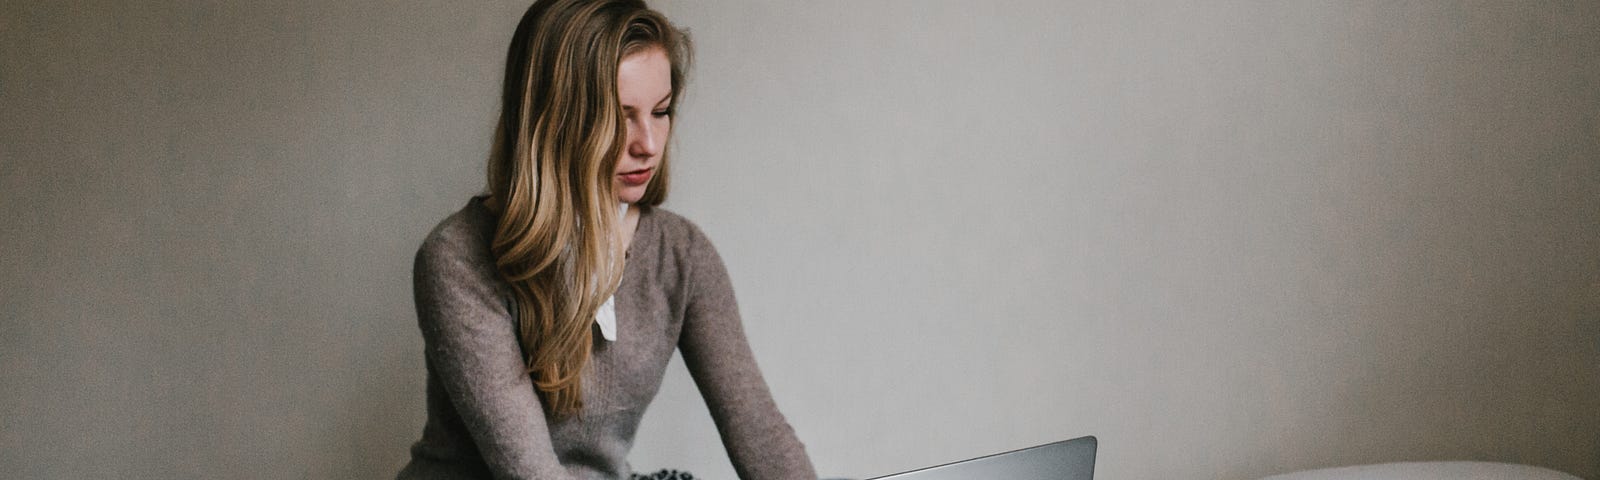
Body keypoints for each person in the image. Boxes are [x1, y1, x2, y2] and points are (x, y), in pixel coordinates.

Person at [396, 1, 818, 479]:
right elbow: (531, 473)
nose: (649, 144)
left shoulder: (681, 255)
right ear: (552, 119)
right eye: (620, 116)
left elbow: (760, 432)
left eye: (660, 112)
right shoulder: (457, 259)